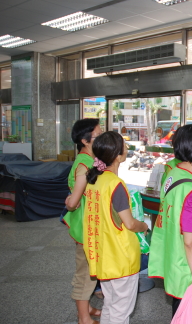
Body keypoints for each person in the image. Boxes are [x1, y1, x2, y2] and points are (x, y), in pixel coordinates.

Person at [148, 124, 192, 317]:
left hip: (174, 260)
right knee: (188, 316)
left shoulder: (173, 174)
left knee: (179, 314)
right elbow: (191, 242)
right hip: (189, 270)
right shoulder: (191, 190)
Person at [83, 131, 148, 323]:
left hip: (102, 255)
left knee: (111, 306)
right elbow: (129, 223)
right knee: (121, 311)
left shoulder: (94, 180)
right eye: (125, 146)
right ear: (118, 156)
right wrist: (144, 225)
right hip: (120, 259)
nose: (127, 149)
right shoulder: (115, 184)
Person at [64, 118, 102, 324]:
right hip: (86, 229)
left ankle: (86, 307)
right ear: (85, 140)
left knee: (89, 271)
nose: (102, 137)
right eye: (98, 135)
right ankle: (84, 318)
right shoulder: (85, 164)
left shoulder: (89, 160)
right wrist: (71, 201)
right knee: (85, 274)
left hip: (88, 226)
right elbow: (73, 202)